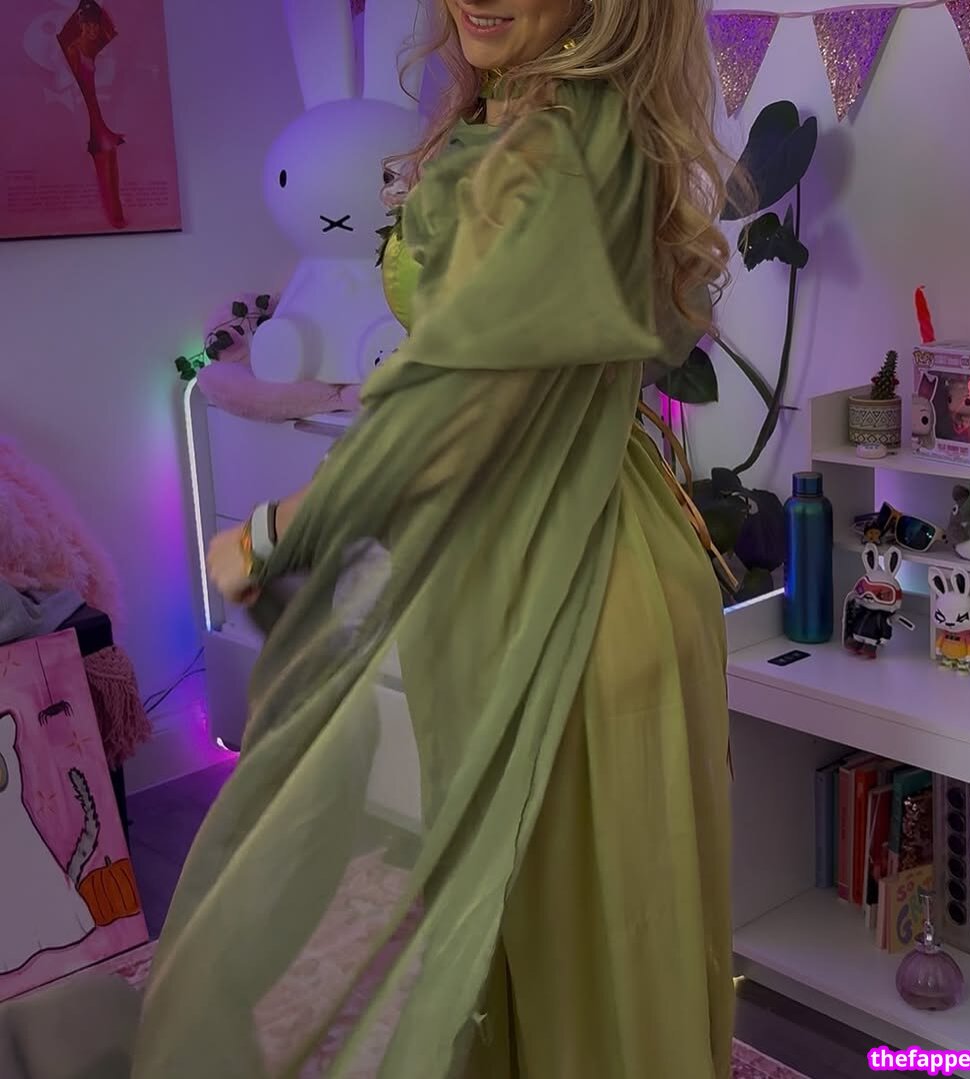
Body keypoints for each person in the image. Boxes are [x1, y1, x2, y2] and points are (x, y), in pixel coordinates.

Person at [133, 0, 744, 1075]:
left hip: (581, 587)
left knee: (590, 962)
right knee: (530, 928)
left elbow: (462, 404)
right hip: (524, 557)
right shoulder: (522, 119)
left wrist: (278, 528)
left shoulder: (558, 148)